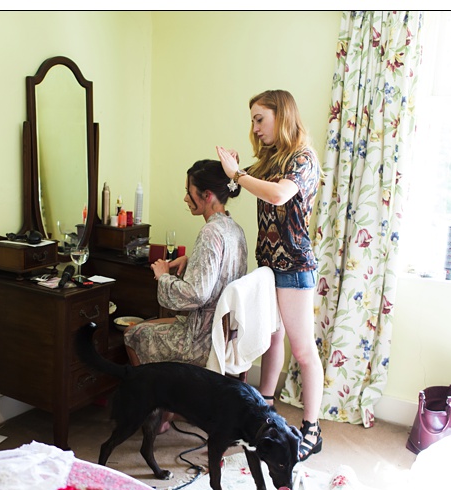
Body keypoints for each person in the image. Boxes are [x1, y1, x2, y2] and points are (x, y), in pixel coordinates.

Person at [217, 90, 324, 459]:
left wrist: (239, 173)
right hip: (268, 264)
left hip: (294, 266)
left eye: (260, 118)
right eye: (252, 120)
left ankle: (312, 429)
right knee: (272, 340)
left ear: (282, 115)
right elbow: (236, 186)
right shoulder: (270, 159)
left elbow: (279, 196)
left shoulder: (303, 158)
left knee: (303, 350)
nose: (255, 127)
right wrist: (232, 171)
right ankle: (264, 412)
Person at [125, 160, 247, 367]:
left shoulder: (210, 232)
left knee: (132, 334)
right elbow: (223, 271)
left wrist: (163, 276)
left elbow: (196, 294)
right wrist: (191, 261)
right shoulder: (234, 229)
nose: (185, 198)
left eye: (189, 192)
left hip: (201, 341)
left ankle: (152, 396)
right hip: (224, 334)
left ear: (207, 195)